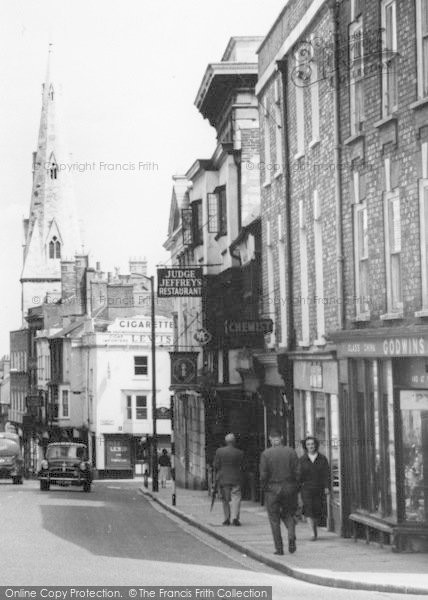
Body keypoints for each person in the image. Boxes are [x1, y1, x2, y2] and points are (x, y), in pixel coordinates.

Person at [260, 430, 300, 555]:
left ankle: (279, 548)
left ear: (270, 439)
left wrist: (264, 487)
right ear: (282, 437)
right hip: (289, 488)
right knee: (288, 514)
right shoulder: (291, 452)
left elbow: (263, 475)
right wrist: (295, 487)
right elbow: (298, 472)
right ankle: (291, 534)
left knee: (274, 519)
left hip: (272, 489)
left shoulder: (266, 454)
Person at [299, 436, 330, 541]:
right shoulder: (302, 460)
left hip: (319, 488)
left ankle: (315, 529)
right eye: (308, 444)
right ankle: (312, 532)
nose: (310, 446)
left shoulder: (322, 459)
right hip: (306, 488)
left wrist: (326, 487)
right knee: (308, 508)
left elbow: (326, 474)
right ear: (305, 446)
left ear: (316, 445)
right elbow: (298, 475)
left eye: (312, 444)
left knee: (317, 509)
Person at [214, 433, 244, 526]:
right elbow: (242, 466)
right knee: (236, 498)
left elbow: (216, 465)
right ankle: (235, 518)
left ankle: (227, 518)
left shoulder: (219, 451)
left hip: (224, 478)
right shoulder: (239, 453)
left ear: (225, 441)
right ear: (234, 442)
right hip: (236, 478)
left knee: (225, 499)